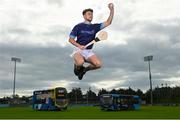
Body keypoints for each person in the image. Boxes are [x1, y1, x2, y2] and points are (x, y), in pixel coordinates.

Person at [69, 3, 114, 80]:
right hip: (78, 50)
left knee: (98, 64)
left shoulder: (95, 27)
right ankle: (77, 67)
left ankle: (84, 70)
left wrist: (112, 10)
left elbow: (108, 22)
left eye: (92, 14)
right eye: (89, 14)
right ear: (84, 16)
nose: (91, 15)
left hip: (88, 51)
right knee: (80, 62)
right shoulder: (78, 26)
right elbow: (70, 40)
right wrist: (79, 46)